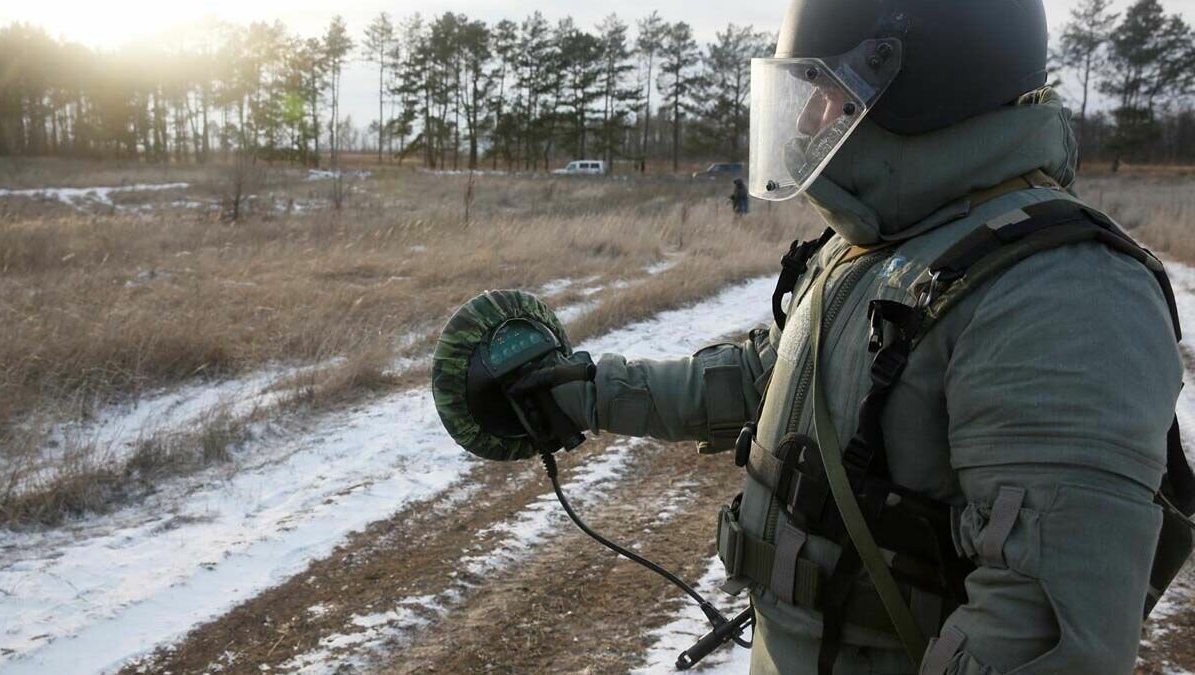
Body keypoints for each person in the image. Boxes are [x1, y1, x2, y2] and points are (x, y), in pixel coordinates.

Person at [442, 0, 1192, 672]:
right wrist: (586, 392)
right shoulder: (878, 246)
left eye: (827, 94)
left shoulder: (1059, 291)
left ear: (916, 87)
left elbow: (1045, 637)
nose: (807, 123)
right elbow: (759, 379)